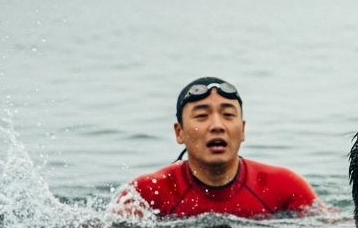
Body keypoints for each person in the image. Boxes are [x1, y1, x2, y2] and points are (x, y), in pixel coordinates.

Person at [118, 77, 317, 219]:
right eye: (201, 116)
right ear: (179, 133)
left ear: (243, 130)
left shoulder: (286, 187)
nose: (217, 125)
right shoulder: (146, 193)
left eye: (228, 115)